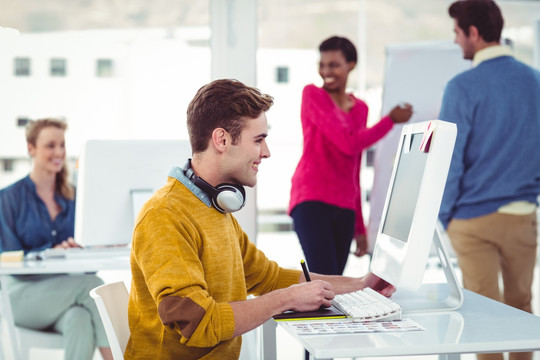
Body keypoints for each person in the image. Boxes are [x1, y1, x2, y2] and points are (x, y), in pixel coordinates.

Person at [125, 79, 395, 359]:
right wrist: (287, 299)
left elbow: (269, 277)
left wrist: (360, 284)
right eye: (258, 140)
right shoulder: (165, 215)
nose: (266, 152)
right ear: (222, 140)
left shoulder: (214, 209)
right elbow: (197, 323)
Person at [439, 2, 540, 360]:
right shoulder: (535, 80)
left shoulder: (461, 87)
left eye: (457, 33)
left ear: (474, 33)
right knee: (522, 310)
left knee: (484, 320)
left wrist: (445, 216)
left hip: (472, 220)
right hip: (522, 215)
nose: (456, 41)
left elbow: (449, 161)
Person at [288, 36, 413, 275]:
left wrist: (360, 227)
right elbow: (347, 143)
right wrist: (390, 121)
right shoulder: (313, 95)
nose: (326, 71)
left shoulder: (360, 108)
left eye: (333, 64)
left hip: (344, 205)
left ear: (351, 65)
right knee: (325, 279)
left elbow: (352, 164)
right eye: (322, 64)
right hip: (311, 199)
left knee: (335, 283)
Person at [0, 118, 113, 360]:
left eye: (62, 145)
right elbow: (8, 257)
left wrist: (93, 248)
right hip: (20, 297)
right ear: (31, 148)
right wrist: (52, 251)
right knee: (93, 285)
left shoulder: (73, 200)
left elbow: (84, 264)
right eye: (50, 145)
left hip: (67, 294)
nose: (59, 152)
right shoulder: (8, 199)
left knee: (79, 319)